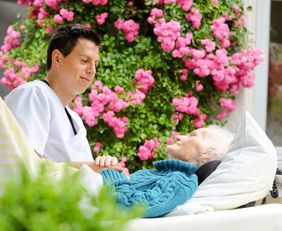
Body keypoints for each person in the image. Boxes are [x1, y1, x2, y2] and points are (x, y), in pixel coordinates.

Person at [5, 24, 120, 172]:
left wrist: (106, 166)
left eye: (95, 64)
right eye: (84, 61)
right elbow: (24, 163)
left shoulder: (74, 118)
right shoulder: (34, 94)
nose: (92, 70)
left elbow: (89, 173)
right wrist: (90, 168)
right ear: (57, 58)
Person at [98, 125, 234, 217]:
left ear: (208, 152)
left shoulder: (181, 181)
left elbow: (132, 206)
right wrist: (107, 169)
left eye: (192, 135)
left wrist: (110, 174)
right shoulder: (151, 173)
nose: (179, 136)